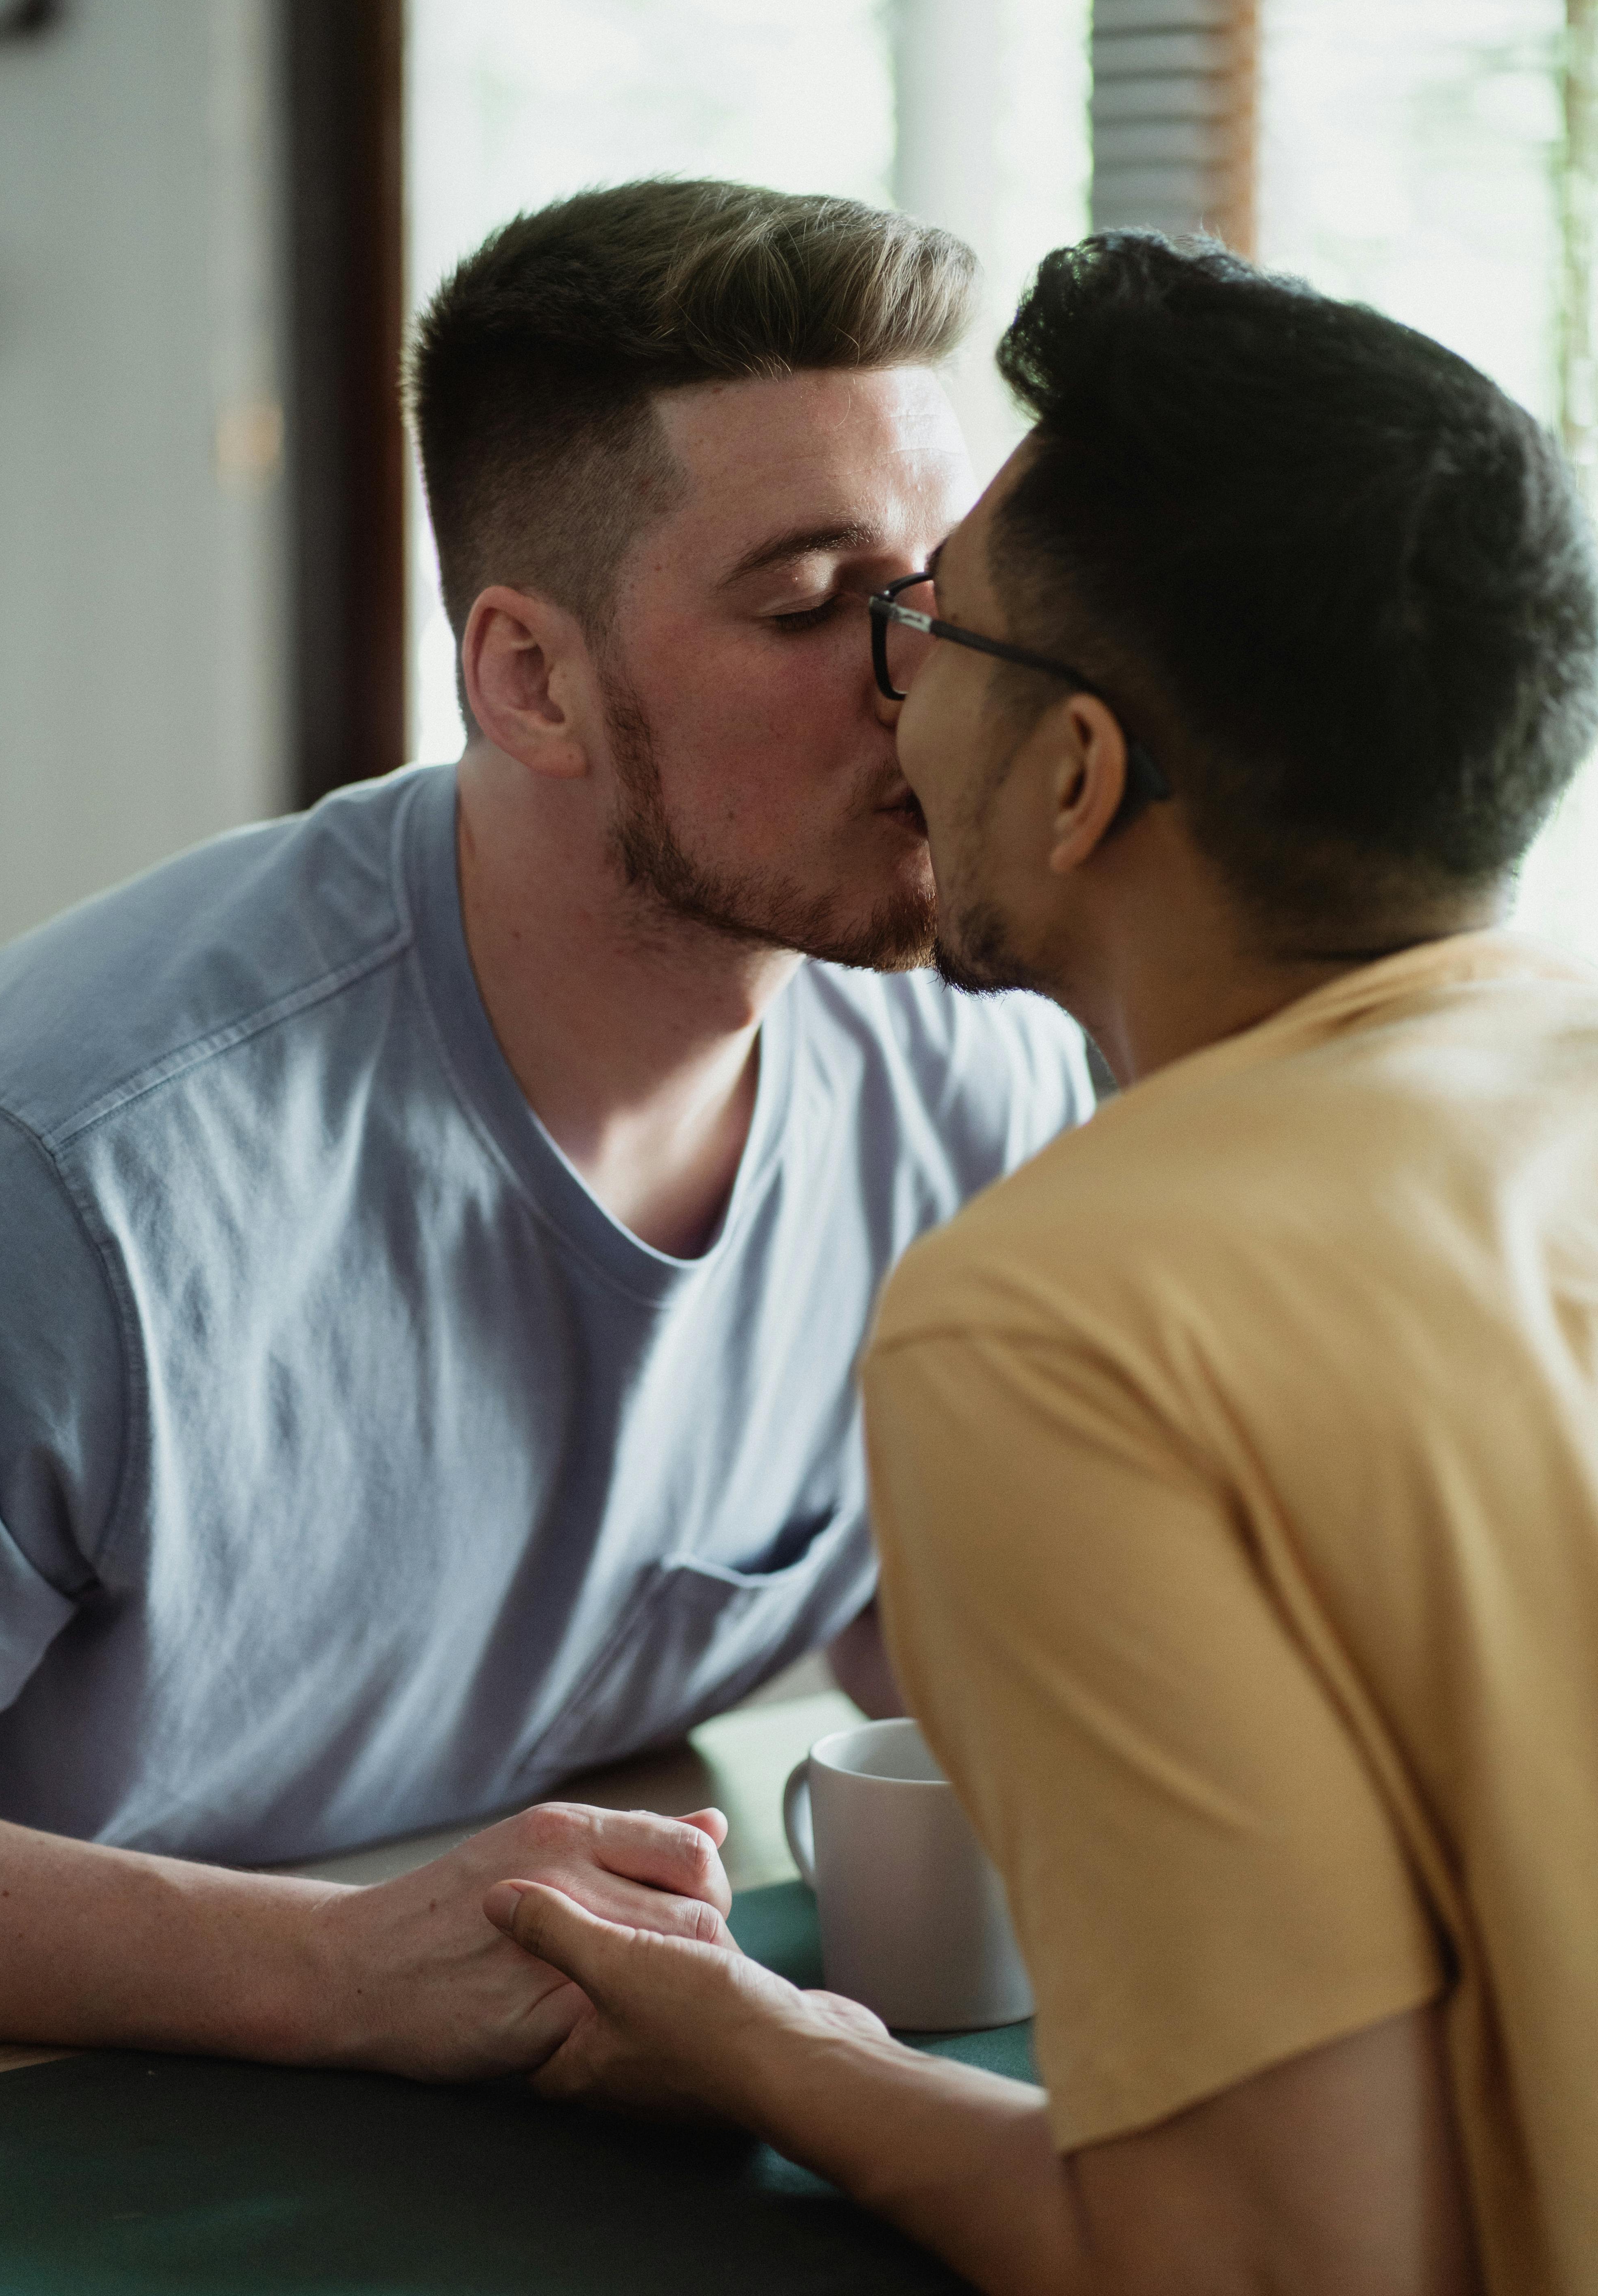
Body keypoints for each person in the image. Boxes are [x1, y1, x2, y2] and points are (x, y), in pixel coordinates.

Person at [488, 234, 1598, 2296]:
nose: (891, 704)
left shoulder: (1063, 1309)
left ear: (1079, 776)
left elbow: (1264, 2267)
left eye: (935, 635)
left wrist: (763, 2044)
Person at [0, 181, 1092, 2074]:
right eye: (817, 608)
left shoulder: (987, 1082)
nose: (931, 694)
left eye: (946, 597)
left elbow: (960, 1676)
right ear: (532, 680)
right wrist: (326, 1975)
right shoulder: (76, 1178)